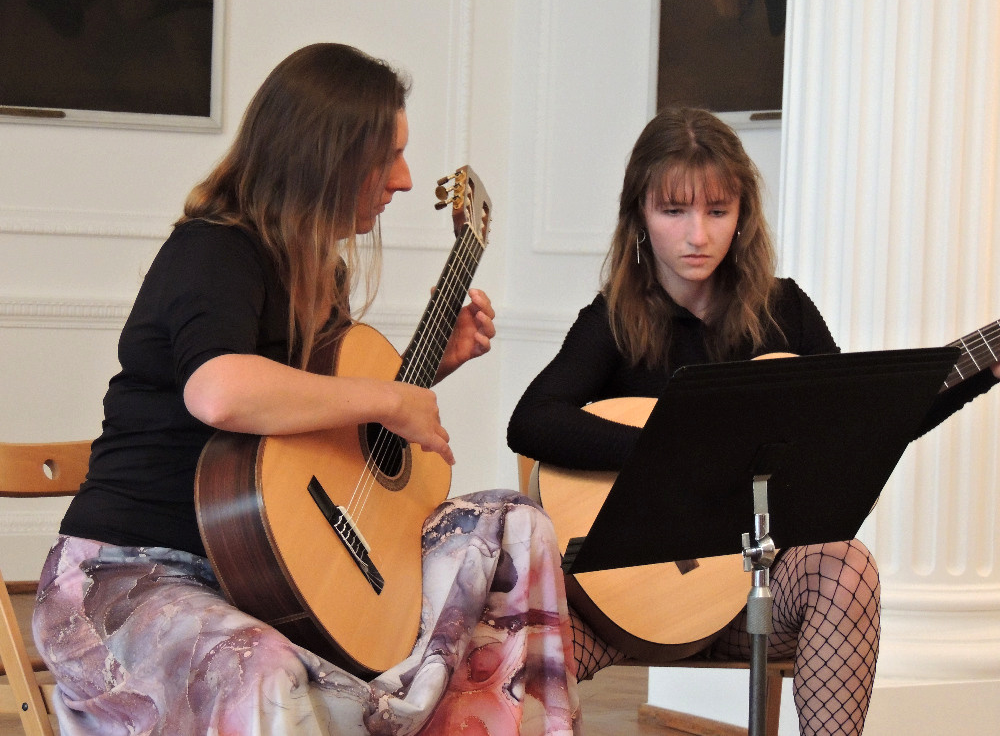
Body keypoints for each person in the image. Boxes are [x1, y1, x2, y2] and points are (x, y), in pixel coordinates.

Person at [33, 43, 580, 736]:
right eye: (388, 157)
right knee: (261, 667)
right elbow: (219, 391)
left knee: (514, 527)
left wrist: (422, 371)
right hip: (129, 577)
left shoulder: (320, 275)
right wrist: (390, 398)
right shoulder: (214, 248)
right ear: (324, 157)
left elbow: (308, 442)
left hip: (266, 576)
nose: (405, 180)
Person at [507, 106, 1000, 736]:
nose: (697, 235)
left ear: (743, 215)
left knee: (846, 566)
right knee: (497, 658)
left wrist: (980, 373)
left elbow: (861, 425)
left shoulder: (785, 311)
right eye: (674, 211)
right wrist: (669, 449)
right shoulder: (612, 322)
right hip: (630, 611)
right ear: (639, 216)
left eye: (717, 211)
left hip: (752, 600)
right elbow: (532, 421)